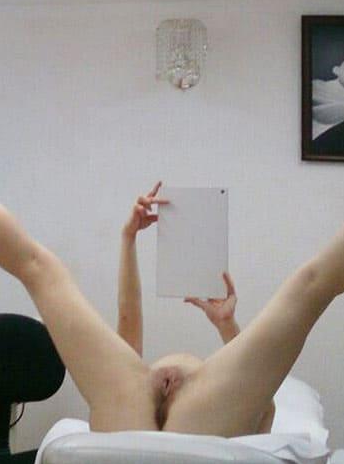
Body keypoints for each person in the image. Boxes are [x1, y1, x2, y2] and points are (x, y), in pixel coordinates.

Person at [0, 118, 344, 437]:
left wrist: (225, 324)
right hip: (197, 412)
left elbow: (257, 402)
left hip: (137, 410)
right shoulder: (223, 385)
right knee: (309, 286)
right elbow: (254, 392)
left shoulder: (202, 383)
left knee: (39, 269)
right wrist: (129, 239)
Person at [116, 181, 276, 431]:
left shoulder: (135, 408)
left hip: (164, 405)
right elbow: (262, 400)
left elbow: (127, 341)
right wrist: (226, 326)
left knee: (124, 363)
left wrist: (128, 238)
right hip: (200, 410)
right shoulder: (222, 412)